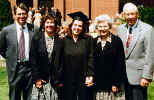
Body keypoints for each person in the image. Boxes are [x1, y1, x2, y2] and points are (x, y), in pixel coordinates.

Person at [117, 3, 154, 100]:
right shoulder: (120, 29)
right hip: (122, 76)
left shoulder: (147, 29)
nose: (130, 17)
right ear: (124, 15)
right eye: (127, 14)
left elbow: (150, 54)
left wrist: (146, 76)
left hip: (139, 77)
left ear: (137, 14)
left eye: (132, 14)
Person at [0, 3, 35, 100]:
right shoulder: (6, 31)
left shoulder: (34, 29)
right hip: (15, 69)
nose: (22, 16)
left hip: (30, 70)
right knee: (14, 97)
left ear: (27, 14)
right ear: (14, 14)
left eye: (24, 13)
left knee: (30, 97)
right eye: (19, 14)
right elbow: (2, 49)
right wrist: (11, 58)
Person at [56, 11, 95, 100]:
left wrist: (90, 75)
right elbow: (59, 60)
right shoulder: (64, 40)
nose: (77, 28)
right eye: (75, 25)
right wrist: (59, 78)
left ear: (83, 27)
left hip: (83, 78)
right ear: (71, 25)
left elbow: (91, 57)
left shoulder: (88, 40)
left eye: (80, 26)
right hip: (67, 78)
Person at [93, 14, 126, 100]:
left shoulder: (117, 41)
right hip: (98, 85)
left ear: (109, 26)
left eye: (105, 26)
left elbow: (120, 64)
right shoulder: (94, 41)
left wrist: (116, 83)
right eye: (100, 26)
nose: (102, 29)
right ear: (97, 27)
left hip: (112, 86)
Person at [30, 14, 61, 100]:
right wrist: (36, 78)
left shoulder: (59, 40)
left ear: (55, 25)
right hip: (41, 81)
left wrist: (59, 78)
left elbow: (62, 61)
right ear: (43, 24)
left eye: (52, 22)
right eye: (47, 22)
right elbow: (33, 60)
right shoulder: (36, 38)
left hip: (54, 82)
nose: (50, 25)